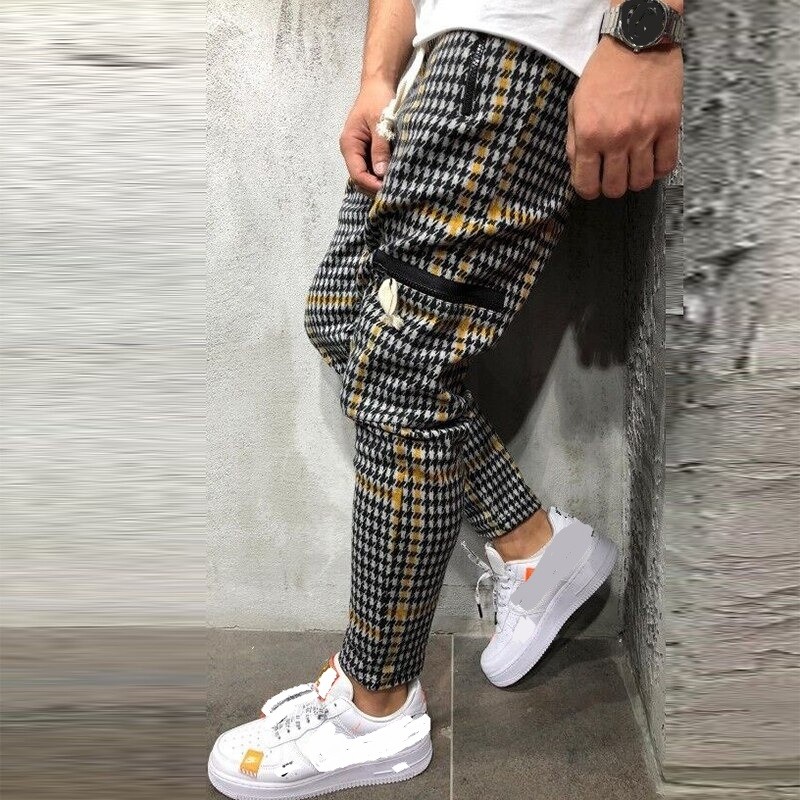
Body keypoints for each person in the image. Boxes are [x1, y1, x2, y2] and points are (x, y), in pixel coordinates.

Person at [208, 0, 684, 796]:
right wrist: (378, 76)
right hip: (436, 66)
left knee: (402, 373)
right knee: (342, 322)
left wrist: (647, 32)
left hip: (512, 55)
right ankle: (533, 544)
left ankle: (375, 708)